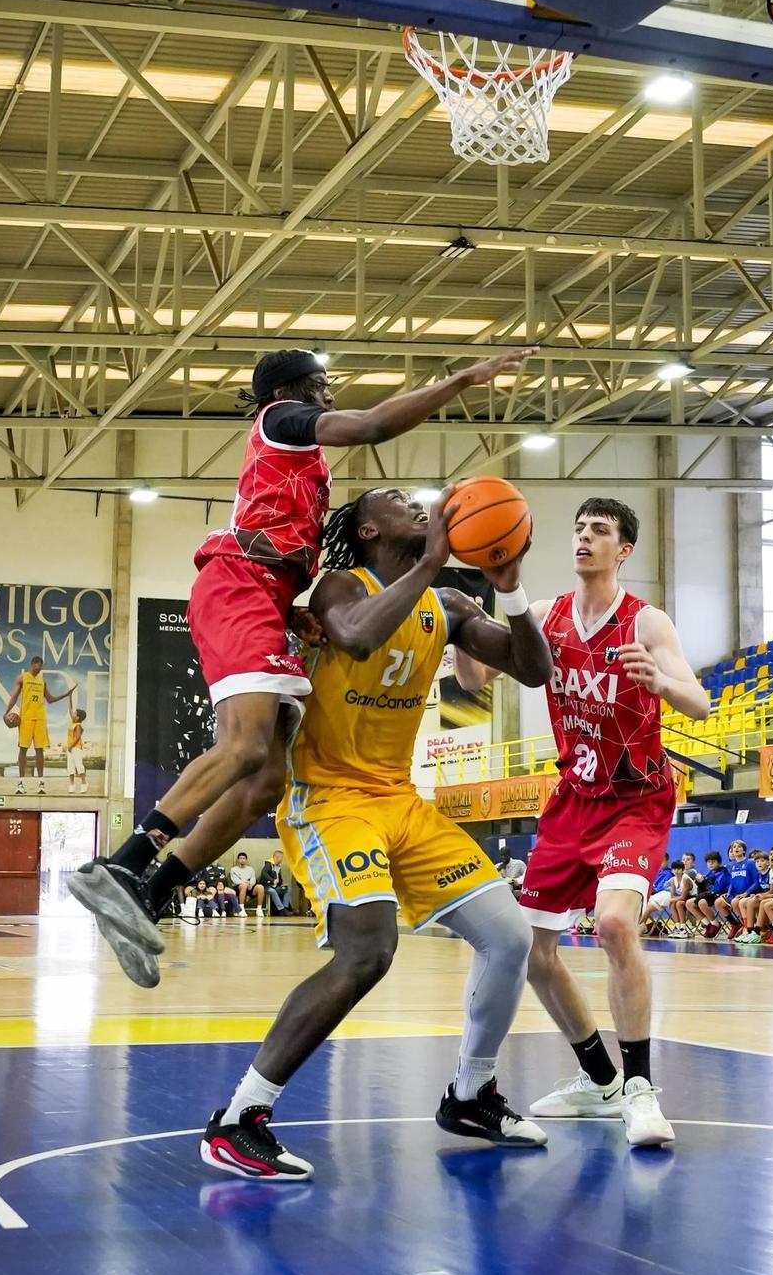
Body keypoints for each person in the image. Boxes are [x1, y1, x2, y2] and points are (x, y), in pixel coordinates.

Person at [69, 344, 534, 987]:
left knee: (264, 782)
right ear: (294, 388)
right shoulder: (280, 418)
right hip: (239, 586)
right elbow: (372, 428)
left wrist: (292, 609)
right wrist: (463, 378)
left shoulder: (305, 465)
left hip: (269, 595)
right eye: (324, 385)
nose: (330, 396)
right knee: (245, 746)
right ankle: (120, 866)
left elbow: (280, 536)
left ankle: (153, 895)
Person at [201, 486, 554, 1180]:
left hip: (401, 800)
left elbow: (534, 670)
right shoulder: (340, 588)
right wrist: (435, 561)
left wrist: (507, 588)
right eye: (398, 500)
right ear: (367, 529)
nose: (419, 505)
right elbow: (357, 636)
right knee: (367, 953)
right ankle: (239, 1118)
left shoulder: (448, 605)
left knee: (509, 936)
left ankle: (469, 1093)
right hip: (330, 799)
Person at [513, 497, 710, 1148]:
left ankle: (641, 1090)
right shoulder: (545, 617)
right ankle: (598, 1080)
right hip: (572, 799)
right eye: (578, 529)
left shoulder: (644, 622)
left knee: (615, 924)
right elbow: (474, 673)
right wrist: (486, 599)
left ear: (623, 549)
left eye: (599, 531)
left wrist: (662, 681)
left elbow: (700, 703)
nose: (584, 538)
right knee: (532, 953)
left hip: (635, 797)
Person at [5, 656, 75, 796]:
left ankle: (41, 783)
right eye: (36, 663)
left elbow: (49, 699)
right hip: (26, 718)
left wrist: (66, 695)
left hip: (40, 718)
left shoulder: (42, 681)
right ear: (32, 664)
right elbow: (14, 696)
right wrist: (6, 712)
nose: (39, 665)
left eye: (41, 664)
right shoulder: (22, 678)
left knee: (39, 750)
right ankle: (20, 783)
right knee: (23, 749)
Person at [259, 849, 290, 915]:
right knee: (273, 891)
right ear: (276, 857)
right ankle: (281, 909)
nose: (282, 859)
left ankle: (285, 907)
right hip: (266, 886)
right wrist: (273, 880)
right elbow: (264, 873)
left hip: (275, 887)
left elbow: (280, 879)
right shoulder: (268, 864)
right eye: (281, 857)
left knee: (288, 889)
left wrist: (281, 885)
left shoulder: (278, 867)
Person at [65, 704, 87, 794]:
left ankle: (84, 783)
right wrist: (69, 697)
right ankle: (72, 785)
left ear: (77, 717)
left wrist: (71, 746)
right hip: (70, 748)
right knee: (70, 767)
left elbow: (77, 737)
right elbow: (70, 709)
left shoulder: (78, 725)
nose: (72, 714)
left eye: (75, 713)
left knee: (79, 766)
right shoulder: (73, 723)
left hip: (76, 748)